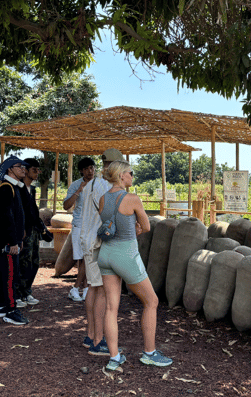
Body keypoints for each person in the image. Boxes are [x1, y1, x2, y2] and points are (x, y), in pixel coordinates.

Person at [97, 160, 172, 372]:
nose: (132, 176)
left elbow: (110, 224)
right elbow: (147, 226)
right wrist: (137, 228)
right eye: (130, 173)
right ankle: (149, 353)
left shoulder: (103, 199)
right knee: (151, 301)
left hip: (105, 254)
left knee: (111, 307)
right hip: (126, 254)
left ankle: (114, 357)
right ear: (121, 175)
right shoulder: (132, 198)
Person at [79, 148, 123, 356]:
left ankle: (90, 335)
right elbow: (109, 218)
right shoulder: (106, 187)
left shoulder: (93, 183)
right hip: (97, 243)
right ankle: (98, 341)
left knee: (93, 287)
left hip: (88, 240)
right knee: (102, 290)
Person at [0, 155, 29, 325]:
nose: (24, 169)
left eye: (24, 167)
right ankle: (11, 310)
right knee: (11, 275)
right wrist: (12, 242)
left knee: (6, 272)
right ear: (9, 169)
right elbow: (6, 218)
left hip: (11, 240)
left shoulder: (13, 188)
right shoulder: (6, 189)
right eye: (19, 166)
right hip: (8, 241)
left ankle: (1, 306)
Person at [14, 157, 47, 307]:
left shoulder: (32, 189)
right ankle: (17, 295)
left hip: (33, 231)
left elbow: (32, 211)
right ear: (26, 171)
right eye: (34, 170)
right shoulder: (17, 188)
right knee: (22, 263)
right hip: (23, 232)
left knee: (34, 262)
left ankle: (26, 292)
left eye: (38, 170)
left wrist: (41, 228)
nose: (37, 173)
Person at [64, 157, 96, 302]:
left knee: (89, 257)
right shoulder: (76, 185)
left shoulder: (100, 184)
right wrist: (79, 190)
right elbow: (66, 206)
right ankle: (80, 288)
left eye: (92, 168)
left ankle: (83, 288)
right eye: (87, 168)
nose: (91, 171)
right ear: (82, 171)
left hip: (94, 225)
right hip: (79, 225)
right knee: (82, 258)